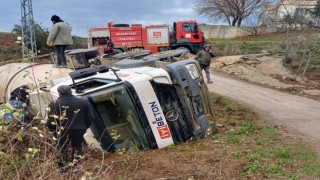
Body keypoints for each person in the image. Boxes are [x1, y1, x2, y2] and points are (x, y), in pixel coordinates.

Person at [47, 85, 94, 172]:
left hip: (61, 130)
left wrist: (54, 130)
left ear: (59, 93)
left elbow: (50, 121)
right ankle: (76, 167)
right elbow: (91, 117)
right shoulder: (82, 101)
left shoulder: (53, 104)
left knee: (61, 148)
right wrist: (84, 126)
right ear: (71, 91)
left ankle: (62, 168)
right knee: (77, 146)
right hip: (79, 129)